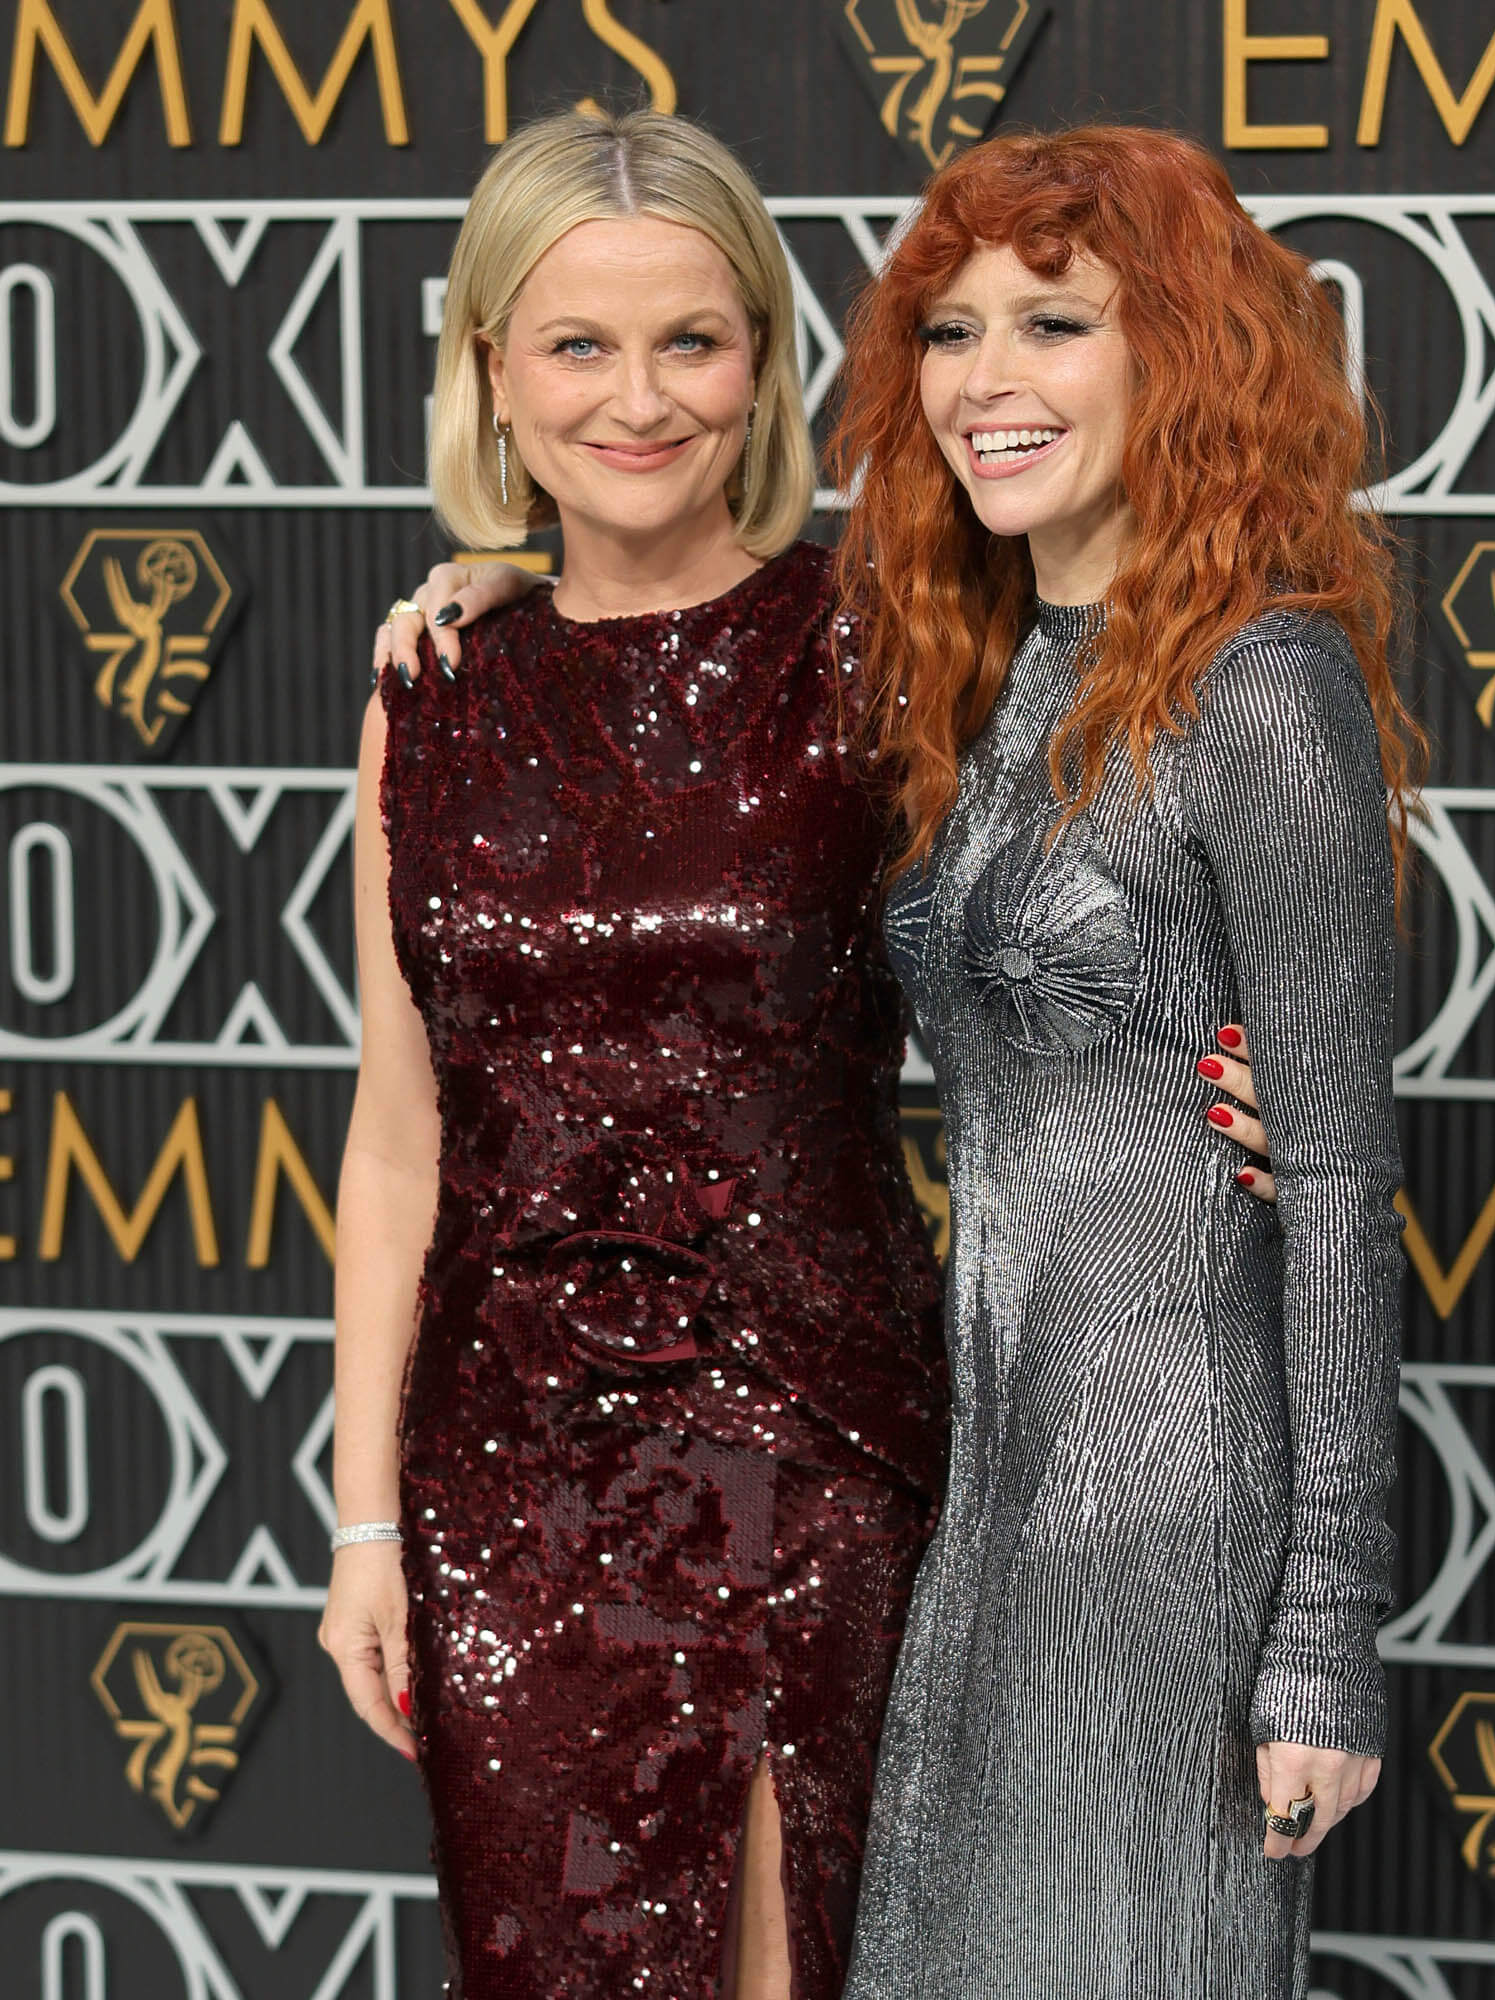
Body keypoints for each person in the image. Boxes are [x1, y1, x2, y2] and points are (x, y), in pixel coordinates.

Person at [317, 109, 951, 2000]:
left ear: (760, 362)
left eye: (692, 340)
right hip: (502, 1477)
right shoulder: (432, 687)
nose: (640, 398)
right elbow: (398, 1139)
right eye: (579, 345)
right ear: (493, 371)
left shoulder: (879, 644)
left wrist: (1241, 1100)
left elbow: (1064, 957)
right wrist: (364, 1522)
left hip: (805, 1446)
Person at [825, 124, 1424, 1996]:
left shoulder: (1259, 681)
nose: (983, 380)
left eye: (1053, 323)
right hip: (989, 1474)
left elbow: (1336, 1184)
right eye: (950, 331)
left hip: (1167, 1513)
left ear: (1179, 352)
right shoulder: (986, 663)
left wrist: (1323, 1632)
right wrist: (498, 584)